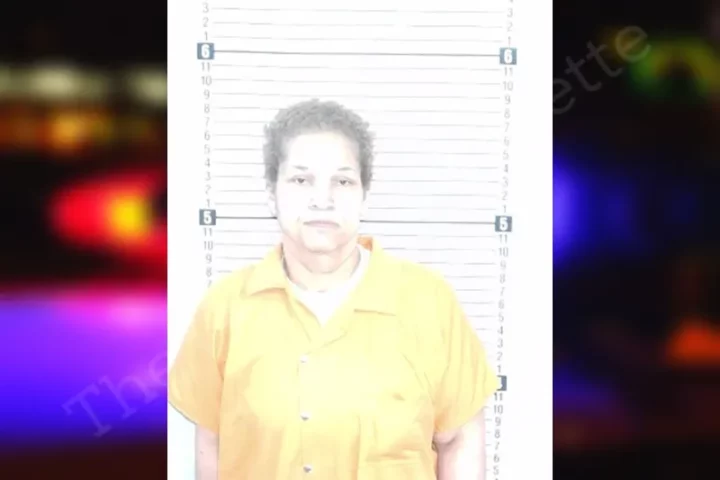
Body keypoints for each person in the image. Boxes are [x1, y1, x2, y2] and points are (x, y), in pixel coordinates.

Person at [169, 98, 499, 480]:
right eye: (301, 180)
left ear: (365, 196)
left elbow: (459, 439)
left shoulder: (429, 302)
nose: (322, 200)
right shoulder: (225, 309)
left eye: (342, 181)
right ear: (271, 192)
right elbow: (211, 446)